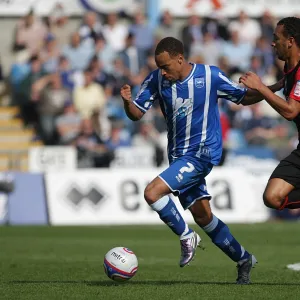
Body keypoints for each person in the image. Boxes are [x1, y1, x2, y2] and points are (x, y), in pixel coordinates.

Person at [121, 37, 283, 284]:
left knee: (152, 193)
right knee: (203, 216)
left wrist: (272, 86)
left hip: (203, 153)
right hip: (178, 155)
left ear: (180, 58)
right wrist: (126, 102)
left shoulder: (210, 76)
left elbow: (244, 97)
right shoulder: (156, 79)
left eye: (166, 66)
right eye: (159, 67)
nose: (163, 72)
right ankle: (243, 259)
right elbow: (136, 113)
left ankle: (187, 236)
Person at [239, 17, 300, 211]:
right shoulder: (289, 70)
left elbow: (291, 111)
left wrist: (261, 87)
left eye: (276, 38)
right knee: (272, 197)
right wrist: (265, 89)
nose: (273, 43)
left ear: (290, 41)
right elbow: (252, 97)